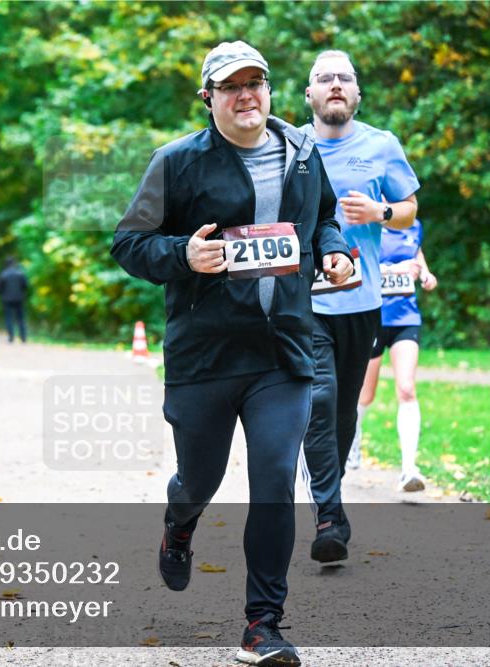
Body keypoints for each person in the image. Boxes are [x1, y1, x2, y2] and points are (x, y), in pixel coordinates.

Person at [111, 40, 353, 667]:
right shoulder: (177, 163)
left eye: (256, 83)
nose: (246, 95)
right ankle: (180, 521)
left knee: (274, 480)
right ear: (209, 97)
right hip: (207, 355)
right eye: (231, 86)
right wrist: (181, 257)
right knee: (202, 479)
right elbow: (129, 243)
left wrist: (336, 252)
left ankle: (261, 625)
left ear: (270, 89)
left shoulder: (302, 152)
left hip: (285, 350)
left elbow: (323, 217)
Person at [297, 49, 422, 564]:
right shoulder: (289, 144)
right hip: (301, 303)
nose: (334, 85)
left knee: (343, 410)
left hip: (362, 302)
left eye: (344, 79)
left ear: (356, 93)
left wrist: (381, 211)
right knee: (319, 400)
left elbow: (410, 208)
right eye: (323, 78)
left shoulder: (381, 145)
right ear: (308, 94)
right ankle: (329, 516)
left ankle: (332, 494)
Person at [348, 220, 438, 492]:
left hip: (405, 318)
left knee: (407, 389)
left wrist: (425, 274)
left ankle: (409, 469)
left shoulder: (414, 225)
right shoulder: (367, 225)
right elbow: (354, 265)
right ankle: (351, 445)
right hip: (372, 317)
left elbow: (416, 254)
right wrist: (393, 270)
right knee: (364, 395)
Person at [0, 257, 29, 343]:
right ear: (14, 263)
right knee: (21, 318)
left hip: (7, 299)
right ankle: (23, 337)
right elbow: (25, 286)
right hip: (19, 298)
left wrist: (2, 295)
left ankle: (11, 337)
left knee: (9, 318)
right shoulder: (20, 273)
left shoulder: (3, 274)